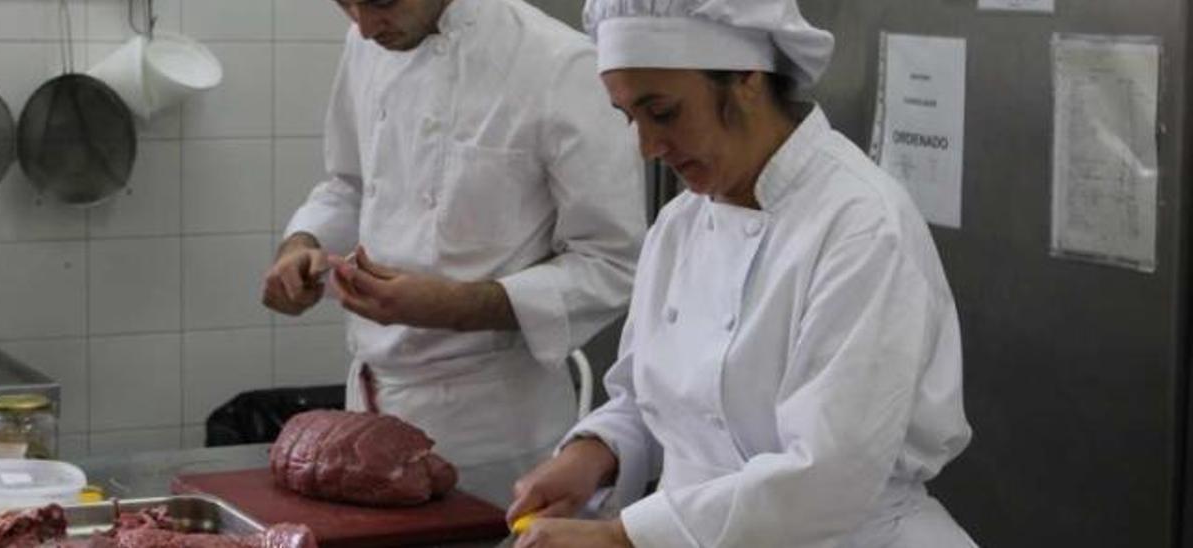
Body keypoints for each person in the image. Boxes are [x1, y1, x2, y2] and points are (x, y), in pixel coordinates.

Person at [506, 1, 975, 546]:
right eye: (630, 117)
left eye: (664, 112)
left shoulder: (861, 226)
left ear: (748, 78)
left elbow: (828, 479)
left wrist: (623, 537)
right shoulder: (682, 223)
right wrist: (597, 452)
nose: (648, 148)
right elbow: (654, 398)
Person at [260, 0, 647, 480]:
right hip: (365, 404)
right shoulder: (369, 44)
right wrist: (301, 244)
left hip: (491, 435)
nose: (362, 27)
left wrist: (458, 306)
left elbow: (613, 262)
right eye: (345, 4)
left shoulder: (560, 65)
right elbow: (350, 184)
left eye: (381, 2)